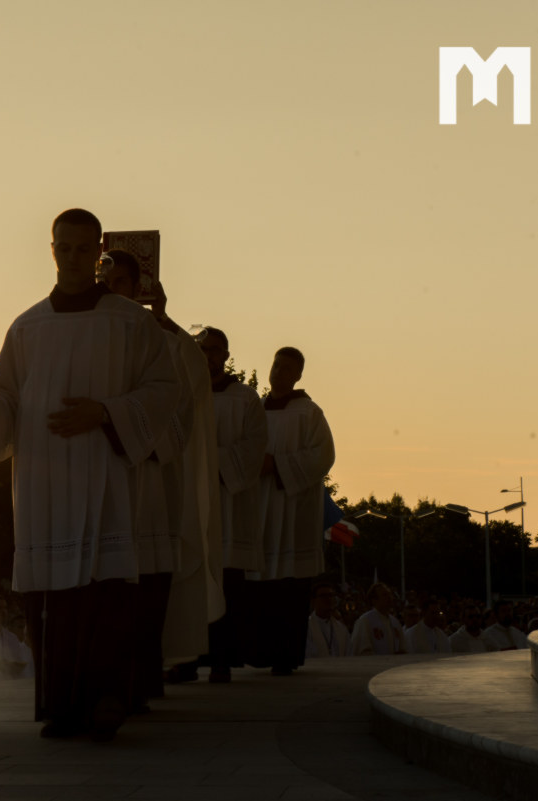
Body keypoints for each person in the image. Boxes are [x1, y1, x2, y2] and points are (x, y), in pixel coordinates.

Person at [0, 209, 180, 740]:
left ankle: (104, 701)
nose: (74, 258)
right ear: (51, 249)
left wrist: (105, 413)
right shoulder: (28, 326)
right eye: (64, 248)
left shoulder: (129, 321)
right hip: (44, 483)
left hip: (103, 476)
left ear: (98, 250)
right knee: (53, 599)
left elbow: (164, 390)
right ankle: (59, 707)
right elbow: (5, 395)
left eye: (84, 249)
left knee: (104, 593)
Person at [102, 250, 221, 701]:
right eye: (107, 280)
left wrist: (138, 438)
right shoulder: (92, 334)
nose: (115, 289)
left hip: (151, 482)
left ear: (139, 287)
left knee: (148, 586)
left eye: (122, 282)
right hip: (105, 479)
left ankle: (141, 680)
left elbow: (184, 407)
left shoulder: (169, 342)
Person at [254, 347, 335, 674]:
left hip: (294, 510)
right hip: (260, 510)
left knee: (290, 587)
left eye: (288, 369)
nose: (279, 373)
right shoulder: (255, 410)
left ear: (298, 375)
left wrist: (279, 466)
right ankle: (261, 652)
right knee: (262, 588)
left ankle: (286, 656)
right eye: (276, 366)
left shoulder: (309, 413)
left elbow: (324, 456)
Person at [197, 326, 267, 681]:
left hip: (228, 506)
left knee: (226, 582)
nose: (208, 356)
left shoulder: (245, 399)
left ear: (225, 355)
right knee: (191, 581)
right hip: (192, 506)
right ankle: (188, 659)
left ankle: (222, 659)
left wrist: (211, 461)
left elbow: (254, 449)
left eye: (214, 350)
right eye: (202, 350)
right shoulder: (184, 395)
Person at [350, 582, 405, 656]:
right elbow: (362, 651)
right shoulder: (365, 621)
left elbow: (402, 647)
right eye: (385, 595)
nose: (390, 597)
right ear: (374, 600)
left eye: (390, 594)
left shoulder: (395, 622)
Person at [305, 582, 351, 658]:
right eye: (323, 596)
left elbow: (349, 654)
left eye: (331, 595)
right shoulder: (307, 627)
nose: (328, 599)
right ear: (313, 601)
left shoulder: (341, 629)